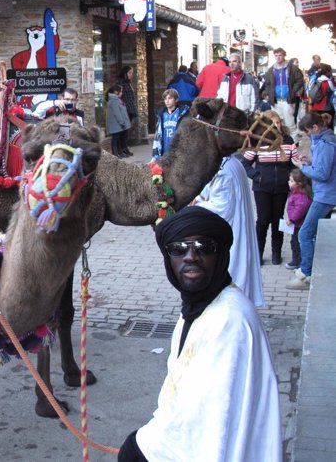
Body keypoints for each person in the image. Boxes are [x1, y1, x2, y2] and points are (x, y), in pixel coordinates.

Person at [118, 206, 281, 462]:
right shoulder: (196, 308)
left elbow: (205, 426)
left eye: (204, 247)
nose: (191, 256)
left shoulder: (230, 320)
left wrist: (142, 446)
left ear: (221, 255)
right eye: (178, 249)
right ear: (167, 259)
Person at [195, 155, 265, 306]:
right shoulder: (231, 163)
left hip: (230, 232)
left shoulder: (224, 170)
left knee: (232, 271)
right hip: (234, 227)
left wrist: (197, 205)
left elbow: (222, 208)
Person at [240, 110, 298, 265]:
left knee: (277, 220)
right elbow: (244, 163)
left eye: (278, 122)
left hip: (281, 187)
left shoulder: (288, 140)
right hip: (262, 187)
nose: (275, 126)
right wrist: (256, 176)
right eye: (271, 124)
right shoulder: (258, 142)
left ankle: (276, 253)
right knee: (263, 220)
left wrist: (293, 179)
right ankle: (258, 253)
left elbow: (294, 164)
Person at [286, 112, 336, 290]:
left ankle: (307, 274)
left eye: (308, 132)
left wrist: (304, 167)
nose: (307, 136)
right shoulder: (325, 140)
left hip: (326, 194)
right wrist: (310, 164)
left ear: (316, 128)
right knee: (310, 233)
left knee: (305, 233)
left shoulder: (325, 144)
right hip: (326, 193)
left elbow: (322, 174)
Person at [260, 47, 305, 135]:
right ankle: (282, 143)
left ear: (284, 55)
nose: (278, 57)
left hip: (287, 100)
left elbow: (300, 80)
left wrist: (292, 91)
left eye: (280, 55)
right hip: (275, 101)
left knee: (289, 124)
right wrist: (268, 94)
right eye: (276, 55)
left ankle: (293, 144)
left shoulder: (292, 68)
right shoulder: (271, 69)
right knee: (277, 123)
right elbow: (267, 83)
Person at [284, 168, 313, 270]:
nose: (289, 182)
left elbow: (299, 210)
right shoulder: (295, 192)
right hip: (296, 224)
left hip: (299, 224)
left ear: (299, 183)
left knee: (298, 244)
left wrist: (291, 219)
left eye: (291, 181)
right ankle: (295, 261)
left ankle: (300, 263)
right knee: (294, 242)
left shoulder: (301, 196)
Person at [152, 88, 189, 160]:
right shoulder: (161, 115)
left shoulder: (182, 113)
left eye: (170, 98)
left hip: (178, 149)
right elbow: (157, 136)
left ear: (176, 100)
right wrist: (155, 155)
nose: (167, 101)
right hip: (165, 149)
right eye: (165, 99)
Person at [117, 65, 137, 156]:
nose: (131, 75)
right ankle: (122, 149)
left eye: (132, 73)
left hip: (130, 109)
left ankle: (125, 148)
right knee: (123, 131)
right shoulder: (121, 83)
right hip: (125, 110)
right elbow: (119, 97)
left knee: (126, 130)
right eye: (129, 73)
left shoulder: (128, 83)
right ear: (125, 73)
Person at [106, 84, 131, 159]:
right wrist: (122, 122)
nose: (122, 93)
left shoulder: (117, 99)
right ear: (116, 92)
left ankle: (120, 152)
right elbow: (117, 113)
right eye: (120, 91)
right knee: (115, 139)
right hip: (116, 125)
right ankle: (115, 153)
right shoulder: (114, 101)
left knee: (119, 139)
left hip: (119, 125)